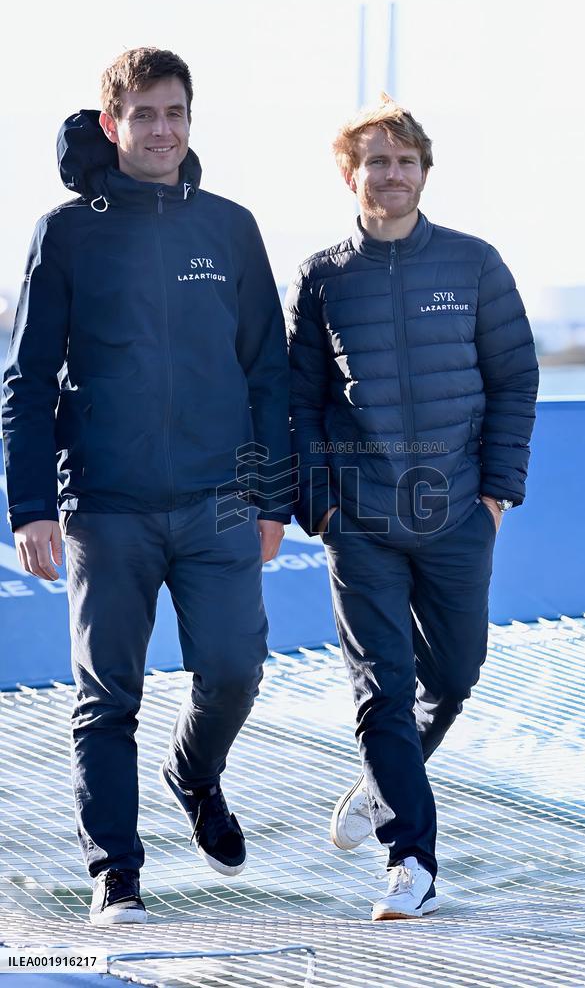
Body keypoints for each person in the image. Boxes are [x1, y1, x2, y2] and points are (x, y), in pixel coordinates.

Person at [2, 48, 292, 926]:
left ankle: (195, 774)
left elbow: (268, 372)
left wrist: (273, 496)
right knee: (107, 698)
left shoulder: (231, 228)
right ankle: (116, 878)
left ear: (190, 120)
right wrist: (30, 505)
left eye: (174, 113)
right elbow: (26, 378)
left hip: (218, 502)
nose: (161, 131)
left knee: (237, 669)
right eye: (143, 116)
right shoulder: (67, 231)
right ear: (111, 124)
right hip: (107, 506)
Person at [286, 95, 539, 921]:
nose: (392, 175)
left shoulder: (474, 263)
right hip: (360, 523)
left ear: (424, 171)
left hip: (459, 514)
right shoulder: (323, 277)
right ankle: (410, 862)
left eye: (405, 161)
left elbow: (514, 380)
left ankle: (380, 781)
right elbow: (302, 398)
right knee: (380, 689)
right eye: (376, 162)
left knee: (456, 673)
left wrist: (498, 496)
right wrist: (318, 505)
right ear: (348, 174)